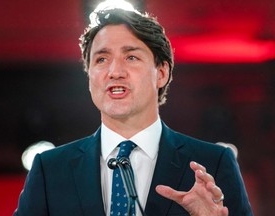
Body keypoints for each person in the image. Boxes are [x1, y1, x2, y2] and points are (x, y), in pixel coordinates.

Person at [14, 7, 253, 216]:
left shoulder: (214, 163)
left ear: (161, 73)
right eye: (101, 59)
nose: (115, 71)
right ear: (89, 77)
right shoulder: (50, 169)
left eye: (131, 57)